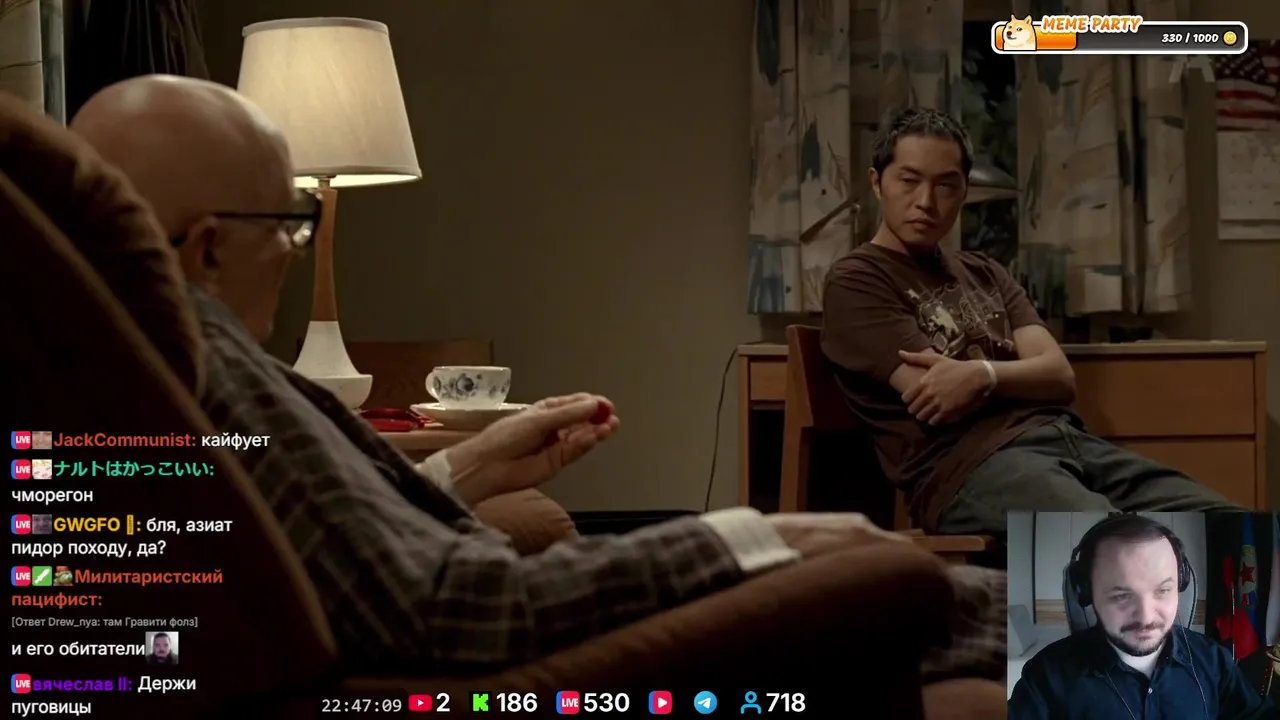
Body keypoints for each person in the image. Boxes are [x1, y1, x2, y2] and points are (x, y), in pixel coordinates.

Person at [68, 76, 979, 675]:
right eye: (288, 226)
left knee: (1025, 616)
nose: (295, 250)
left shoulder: (119, 364)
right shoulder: (205, 365)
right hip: (548, 650)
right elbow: (459, 608)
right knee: (982, 613)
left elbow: (319, 538)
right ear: (210, 246)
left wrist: (469, 466)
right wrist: (757, 538)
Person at [820, 107, 1240, 539]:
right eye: (909, 181)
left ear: (963, 192)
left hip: (1066, 441)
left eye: (945, 185)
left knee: (1235, 533)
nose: (926, 201)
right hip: (972, 467)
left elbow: (1058, 376)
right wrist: (1018, 378)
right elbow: (938, 395)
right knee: (1116, 543)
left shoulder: (985, 272)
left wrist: (981, 375)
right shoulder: (857, 279)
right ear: (878, 183)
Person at [1008, 514, 1274, 719]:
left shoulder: (1214, 661)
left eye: (1163, 590)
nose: (1146, 617)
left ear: (1180, 584)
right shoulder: (1046, 678)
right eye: (1122, 595)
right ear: (1086, 592)